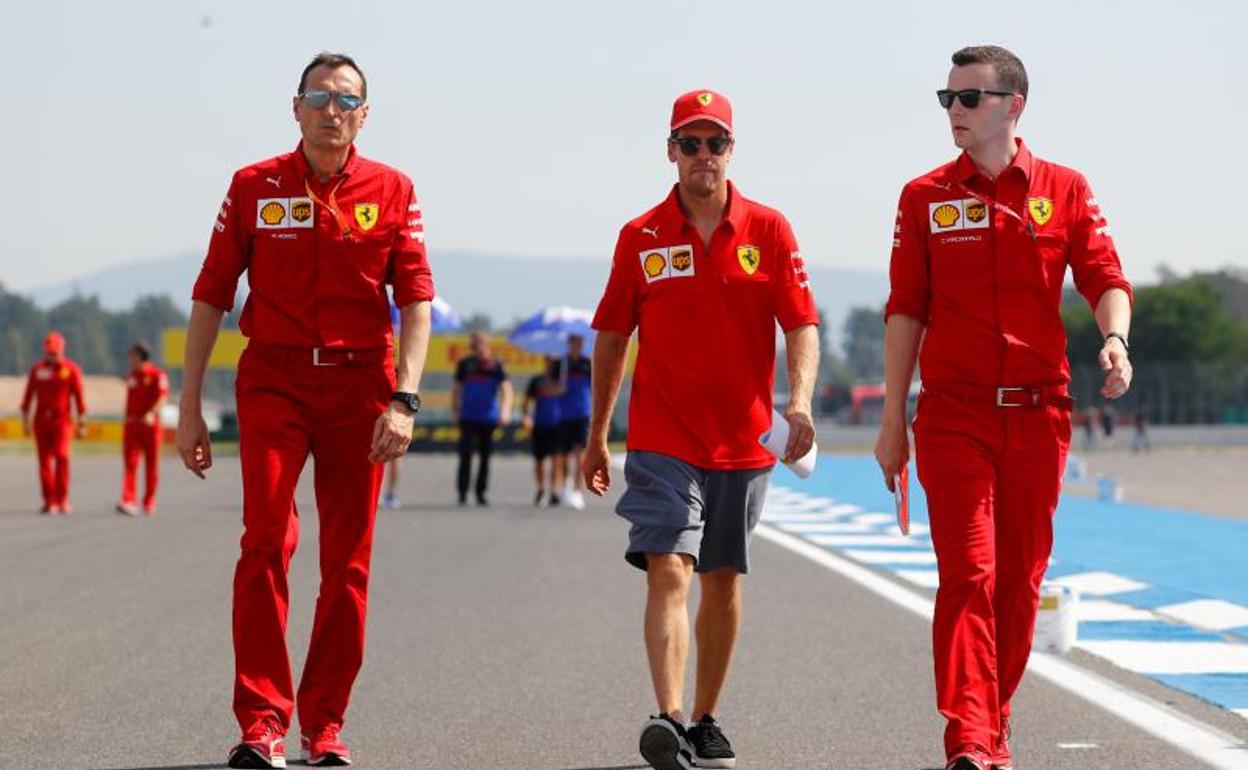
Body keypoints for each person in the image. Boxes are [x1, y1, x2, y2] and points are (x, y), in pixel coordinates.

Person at [873, 46, 1133, 770]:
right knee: (969, 574)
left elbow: (1106, 276)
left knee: (1019, 584)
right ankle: (968, 737)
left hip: (1039, 411)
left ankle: (994, 721)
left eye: (969, 98)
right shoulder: (922, 196)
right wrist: (894, 419)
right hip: (953, 414)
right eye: (947, 99)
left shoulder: (1064, 188)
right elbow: (905, 312)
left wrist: (1114, 338)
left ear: (1012, 105)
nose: (954, 111)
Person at [176, 51, 433, 769]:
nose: (332, 110)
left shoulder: (394, 189)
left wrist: (404, 399)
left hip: (361, 386)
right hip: (274, 381)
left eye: (346, 100)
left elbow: (415, 300)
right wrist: (189, 405)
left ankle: (324, 725)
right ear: (295, 108)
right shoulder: (254, 186)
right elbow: (211, 293)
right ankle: (261, 722)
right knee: (264, 538)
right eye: (318, 97)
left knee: (347, 563)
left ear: (364, 115)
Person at [583, 88, 819, 770]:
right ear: (671, 152)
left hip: (745, 440)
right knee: (668, 569)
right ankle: (670, 715)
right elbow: (611, 337)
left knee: (721, 580)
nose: (704, 156)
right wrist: (599, 434)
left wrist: (799, 402)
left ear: (730, 152)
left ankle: (706, 718)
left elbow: (800, 324)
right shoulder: (642, 237)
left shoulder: (770, 230)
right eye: (691, 143)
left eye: (715, 143)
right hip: (663, 438)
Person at [20, 331, 87, 515]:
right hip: (41, 420)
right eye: (50, 352)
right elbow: (28, 397)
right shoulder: (37, 369)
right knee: (44, 462)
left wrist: (82, 423)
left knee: (62, 457)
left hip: (63, 421)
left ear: (62, 350)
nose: (53, 356)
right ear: (45, 351)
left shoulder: (71, 369)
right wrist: (25, 421)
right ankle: (49, 501)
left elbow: (79, 398)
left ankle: (62, 499)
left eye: (55, 352)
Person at [451, 331, 512, 506]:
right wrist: (455, 410)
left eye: (480, 343)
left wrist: (505, 411)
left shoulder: (497, 365)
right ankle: (462, 492)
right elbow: (456, 389)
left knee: (485, 456)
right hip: (468, 416)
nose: (477, 347)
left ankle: (481, 492)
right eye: (474, 344)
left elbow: (506, 389)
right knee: (465, 455)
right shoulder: (465, 364)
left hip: (488, 417)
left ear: (487, 344)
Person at [116, 342, 170, 516]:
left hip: (150, 426)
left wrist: (151, 413)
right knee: (130, 463)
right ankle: (128, 499)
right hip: (132, 425)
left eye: (132, 356)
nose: (129, 359)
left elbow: (162, 397)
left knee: (151, 465)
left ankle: (149, 500)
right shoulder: (131, 375)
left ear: (141, 356)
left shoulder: (157, 375)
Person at [555, 333, 592, 510]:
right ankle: (566, 485)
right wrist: (558, 388)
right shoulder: (560, 364)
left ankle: (577, 491)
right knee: (563, 456)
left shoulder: (588, 363)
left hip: (582, 414)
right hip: (564, 415)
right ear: (569, 344)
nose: (577, 345)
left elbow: (595, 387)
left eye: (580, 342)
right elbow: (550, 387)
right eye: (574, 342)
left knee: (580, 454)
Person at [522, 355, 564, 506]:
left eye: (553, 361)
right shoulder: (536, 381)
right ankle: (540, 488)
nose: (550, 364)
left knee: (557, 459)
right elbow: (526, 401)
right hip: (540, 424)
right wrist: (526, 417)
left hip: (558, 424)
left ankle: (555, 490)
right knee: (539, 459)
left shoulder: (562, 381)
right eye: (548, 360)